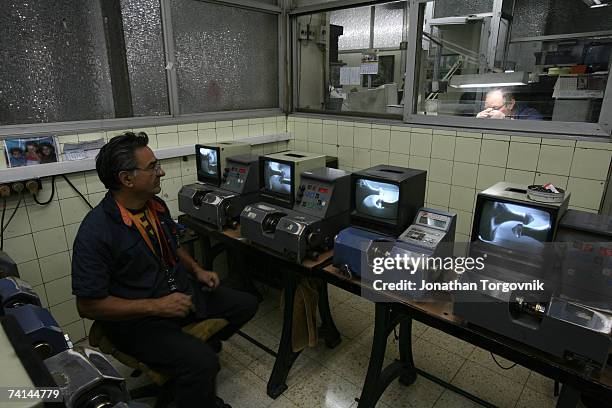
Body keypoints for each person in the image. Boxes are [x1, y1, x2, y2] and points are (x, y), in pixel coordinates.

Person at [71, 132, 258, 408]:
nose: (162, 171)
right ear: (126, 179)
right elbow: (87, 306)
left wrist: (196, 271)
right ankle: (192, 381)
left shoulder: (155, 206)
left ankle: (186, 367)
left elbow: (171, 244)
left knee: (247, 303)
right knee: (204, 364)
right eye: (153, 167)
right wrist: (157, 306)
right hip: (140, 321)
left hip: (178, 296)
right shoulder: (96, 232)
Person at [476, 88, 542, 120]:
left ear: (511, 104)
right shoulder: (488, 114)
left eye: (495, 108)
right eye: (486, 108)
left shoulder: (529, 114)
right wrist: (478, 121)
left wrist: (505, 119)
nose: (490, 112)